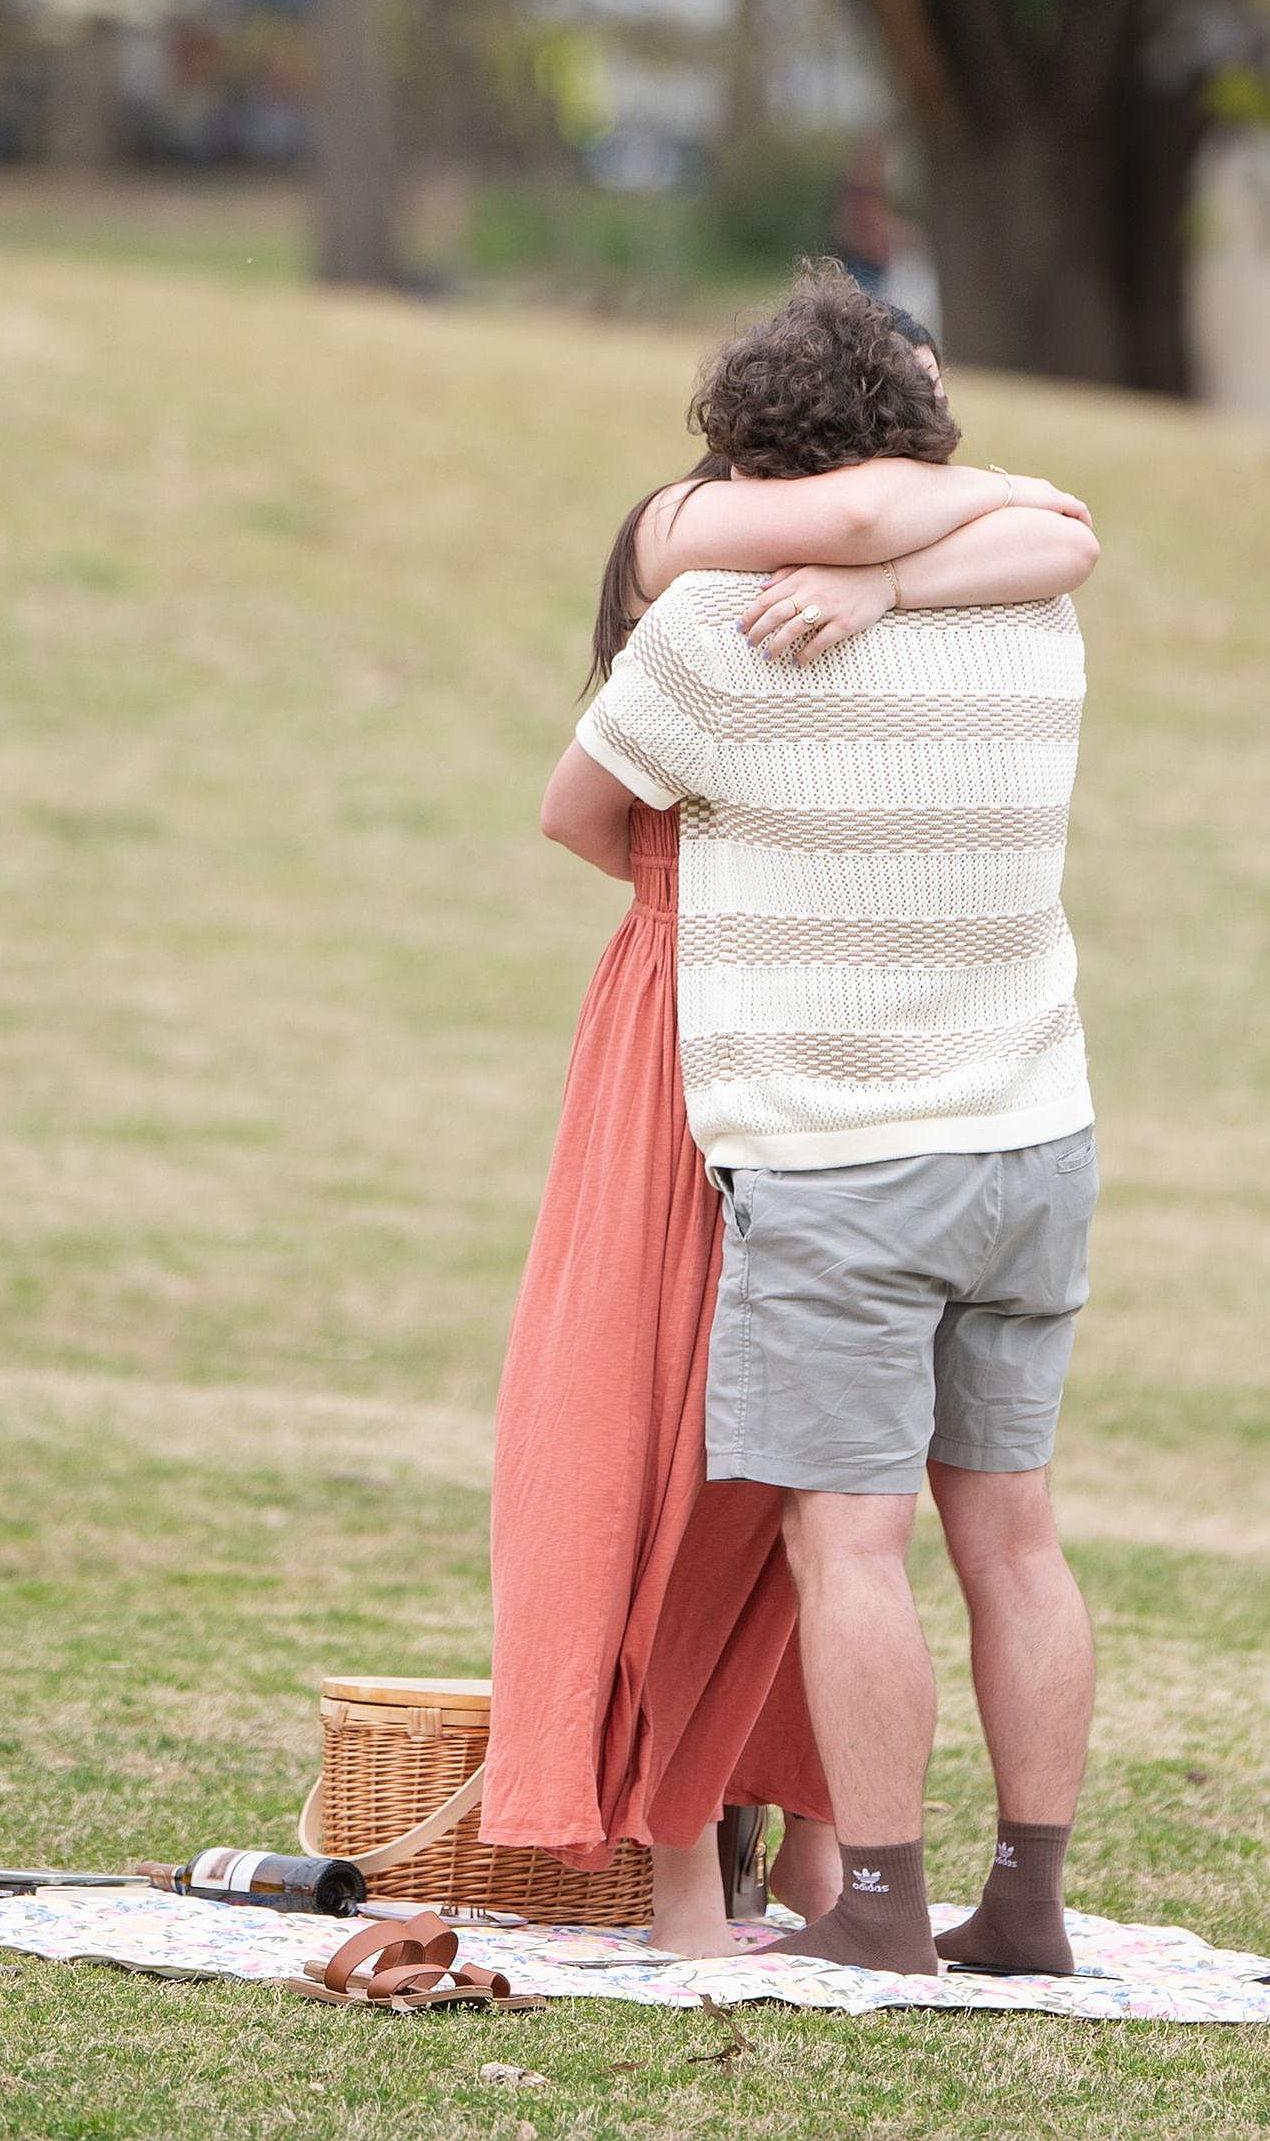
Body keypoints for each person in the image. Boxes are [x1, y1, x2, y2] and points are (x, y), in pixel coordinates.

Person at [485, 266, 1099, 1962]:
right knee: (1016, 1538)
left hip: (842, 1152)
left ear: (757, 462)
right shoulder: (1031, 611)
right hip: (1035, 1132)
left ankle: (876, 1907)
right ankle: (1025, 1899)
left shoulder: (713, 633)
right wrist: (896, 572)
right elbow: (1052, 531)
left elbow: (579, 815)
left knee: (843, 1545)